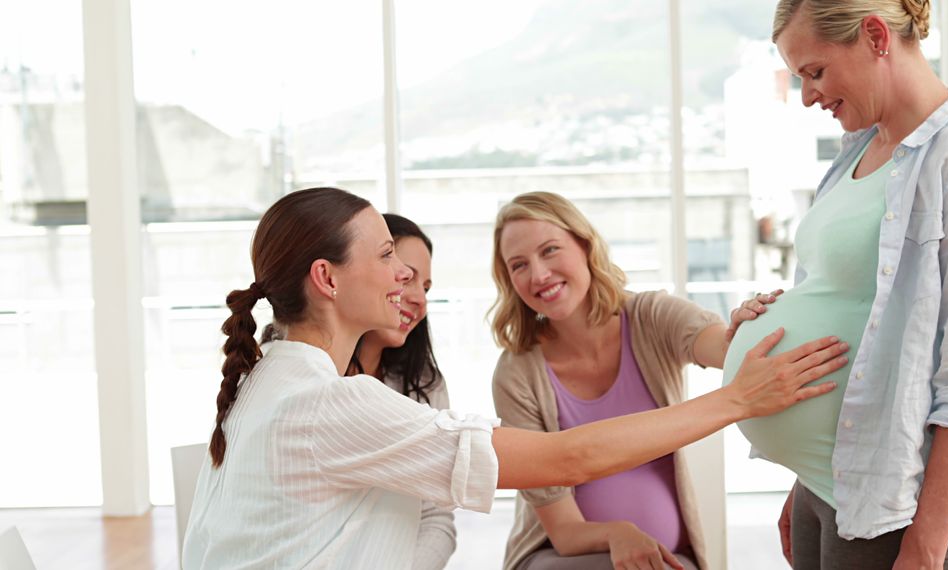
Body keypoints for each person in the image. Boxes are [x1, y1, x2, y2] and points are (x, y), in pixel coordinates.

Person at [182, 187, 850, 569]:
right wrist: (736, 400)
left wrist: (748, 341)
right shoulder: (330, 404)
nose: (401, 278)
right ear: (327, 280)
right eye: (387, 257)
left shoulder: (266, 380)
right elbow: (568, 457)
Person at [720, 1, 948, 569]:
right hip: (831, 484)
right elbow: (848, 312)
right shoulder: (856, 154)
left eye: (814, 72)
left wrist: (925, 549)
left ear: (874, 36)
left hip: (901, 505)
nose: (808, 96)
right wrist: (804, 481)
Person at [489, 191, 826, 570]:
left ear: (584, 244)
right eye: (518, 265)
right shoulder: (517, 373)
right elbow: (565, 534)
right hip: (560, 559)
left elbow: (722, 348)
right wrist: (618, 533)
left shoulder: (650, 316)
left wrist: (745, 328)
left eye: (549, 250)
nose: (538, 274)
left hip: (667, 560)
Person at [344, 213, 455, 570]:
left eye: (426, 288)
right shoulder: (304, 381)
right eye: (406, 277)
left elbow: (437, 520)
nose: (420, 300)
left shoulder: (425, 384)